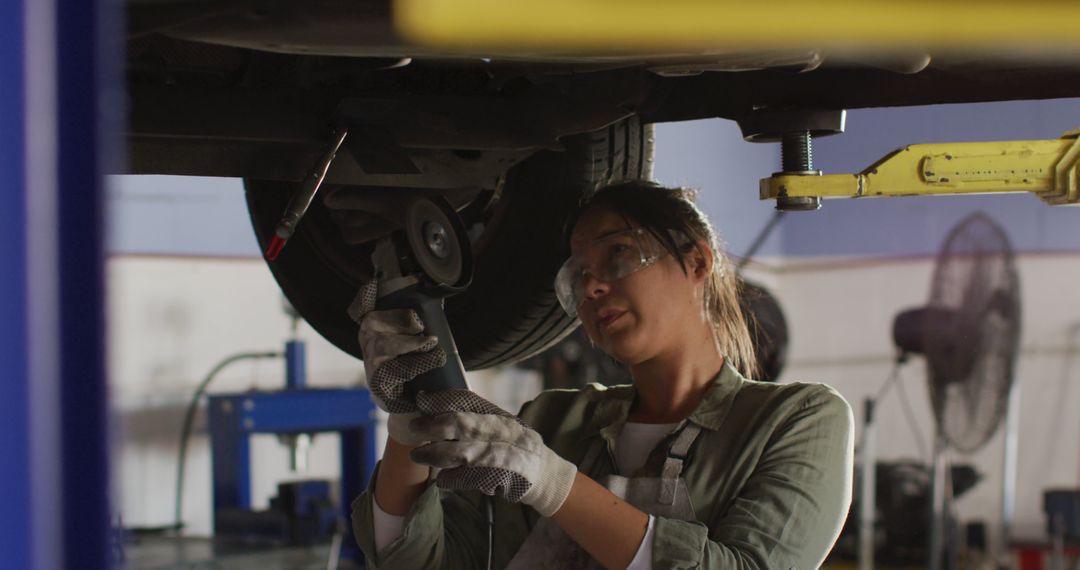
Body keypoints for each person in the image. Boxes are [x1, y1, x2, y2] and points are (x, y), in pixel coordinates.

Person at [349, 180, 854, 569]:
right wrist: (411, 423)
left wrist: (554, 483)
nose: (592, 287)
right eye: (578, 273)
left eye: (617, 253)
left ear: (697, 260)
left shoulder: (797, 419)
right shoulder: (554, 419)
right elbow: (423, 563)